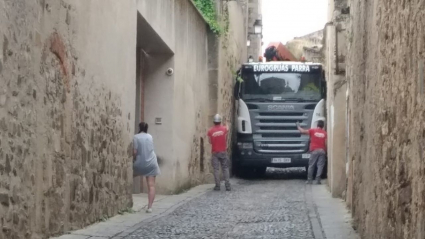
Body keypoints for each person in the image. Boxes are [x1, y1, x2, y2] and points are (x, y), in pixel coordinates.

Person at [133, 122, 160, 213]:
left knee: (129, 178)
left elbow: (135, 152)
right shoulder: (150, 137)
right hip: (151, 162)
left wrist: (134, 159)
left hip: (140, 163)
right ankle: (149, 207)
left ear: (139, 127)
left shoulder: (136, 137)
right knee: (151, 185)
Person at [296, 120, 327, 184]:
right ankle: (318, 180)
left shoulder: (313, 131)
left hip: (314, 150)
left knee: (311, 165)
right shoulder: (324, 133)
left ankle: (310, 180)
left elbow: (302, 131)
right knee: (320, 166)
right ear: (323, 126)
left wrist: (298, 126)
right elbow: (326, 143)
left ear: (317, 125)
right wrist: (325, 151)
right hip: (322, 151)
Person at [207, 114, 231, 191]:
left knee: (216, 169)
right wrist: (226, 122)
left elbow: (210, 141)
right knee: (225, 168)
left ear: (214, 122)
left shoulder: (210, 130)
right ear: (220, 122)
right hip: (223, 151)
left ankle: (217, 186)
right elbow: (228, 128)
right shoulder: (223, 129)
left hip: (215, 152)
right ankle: (227, 185)